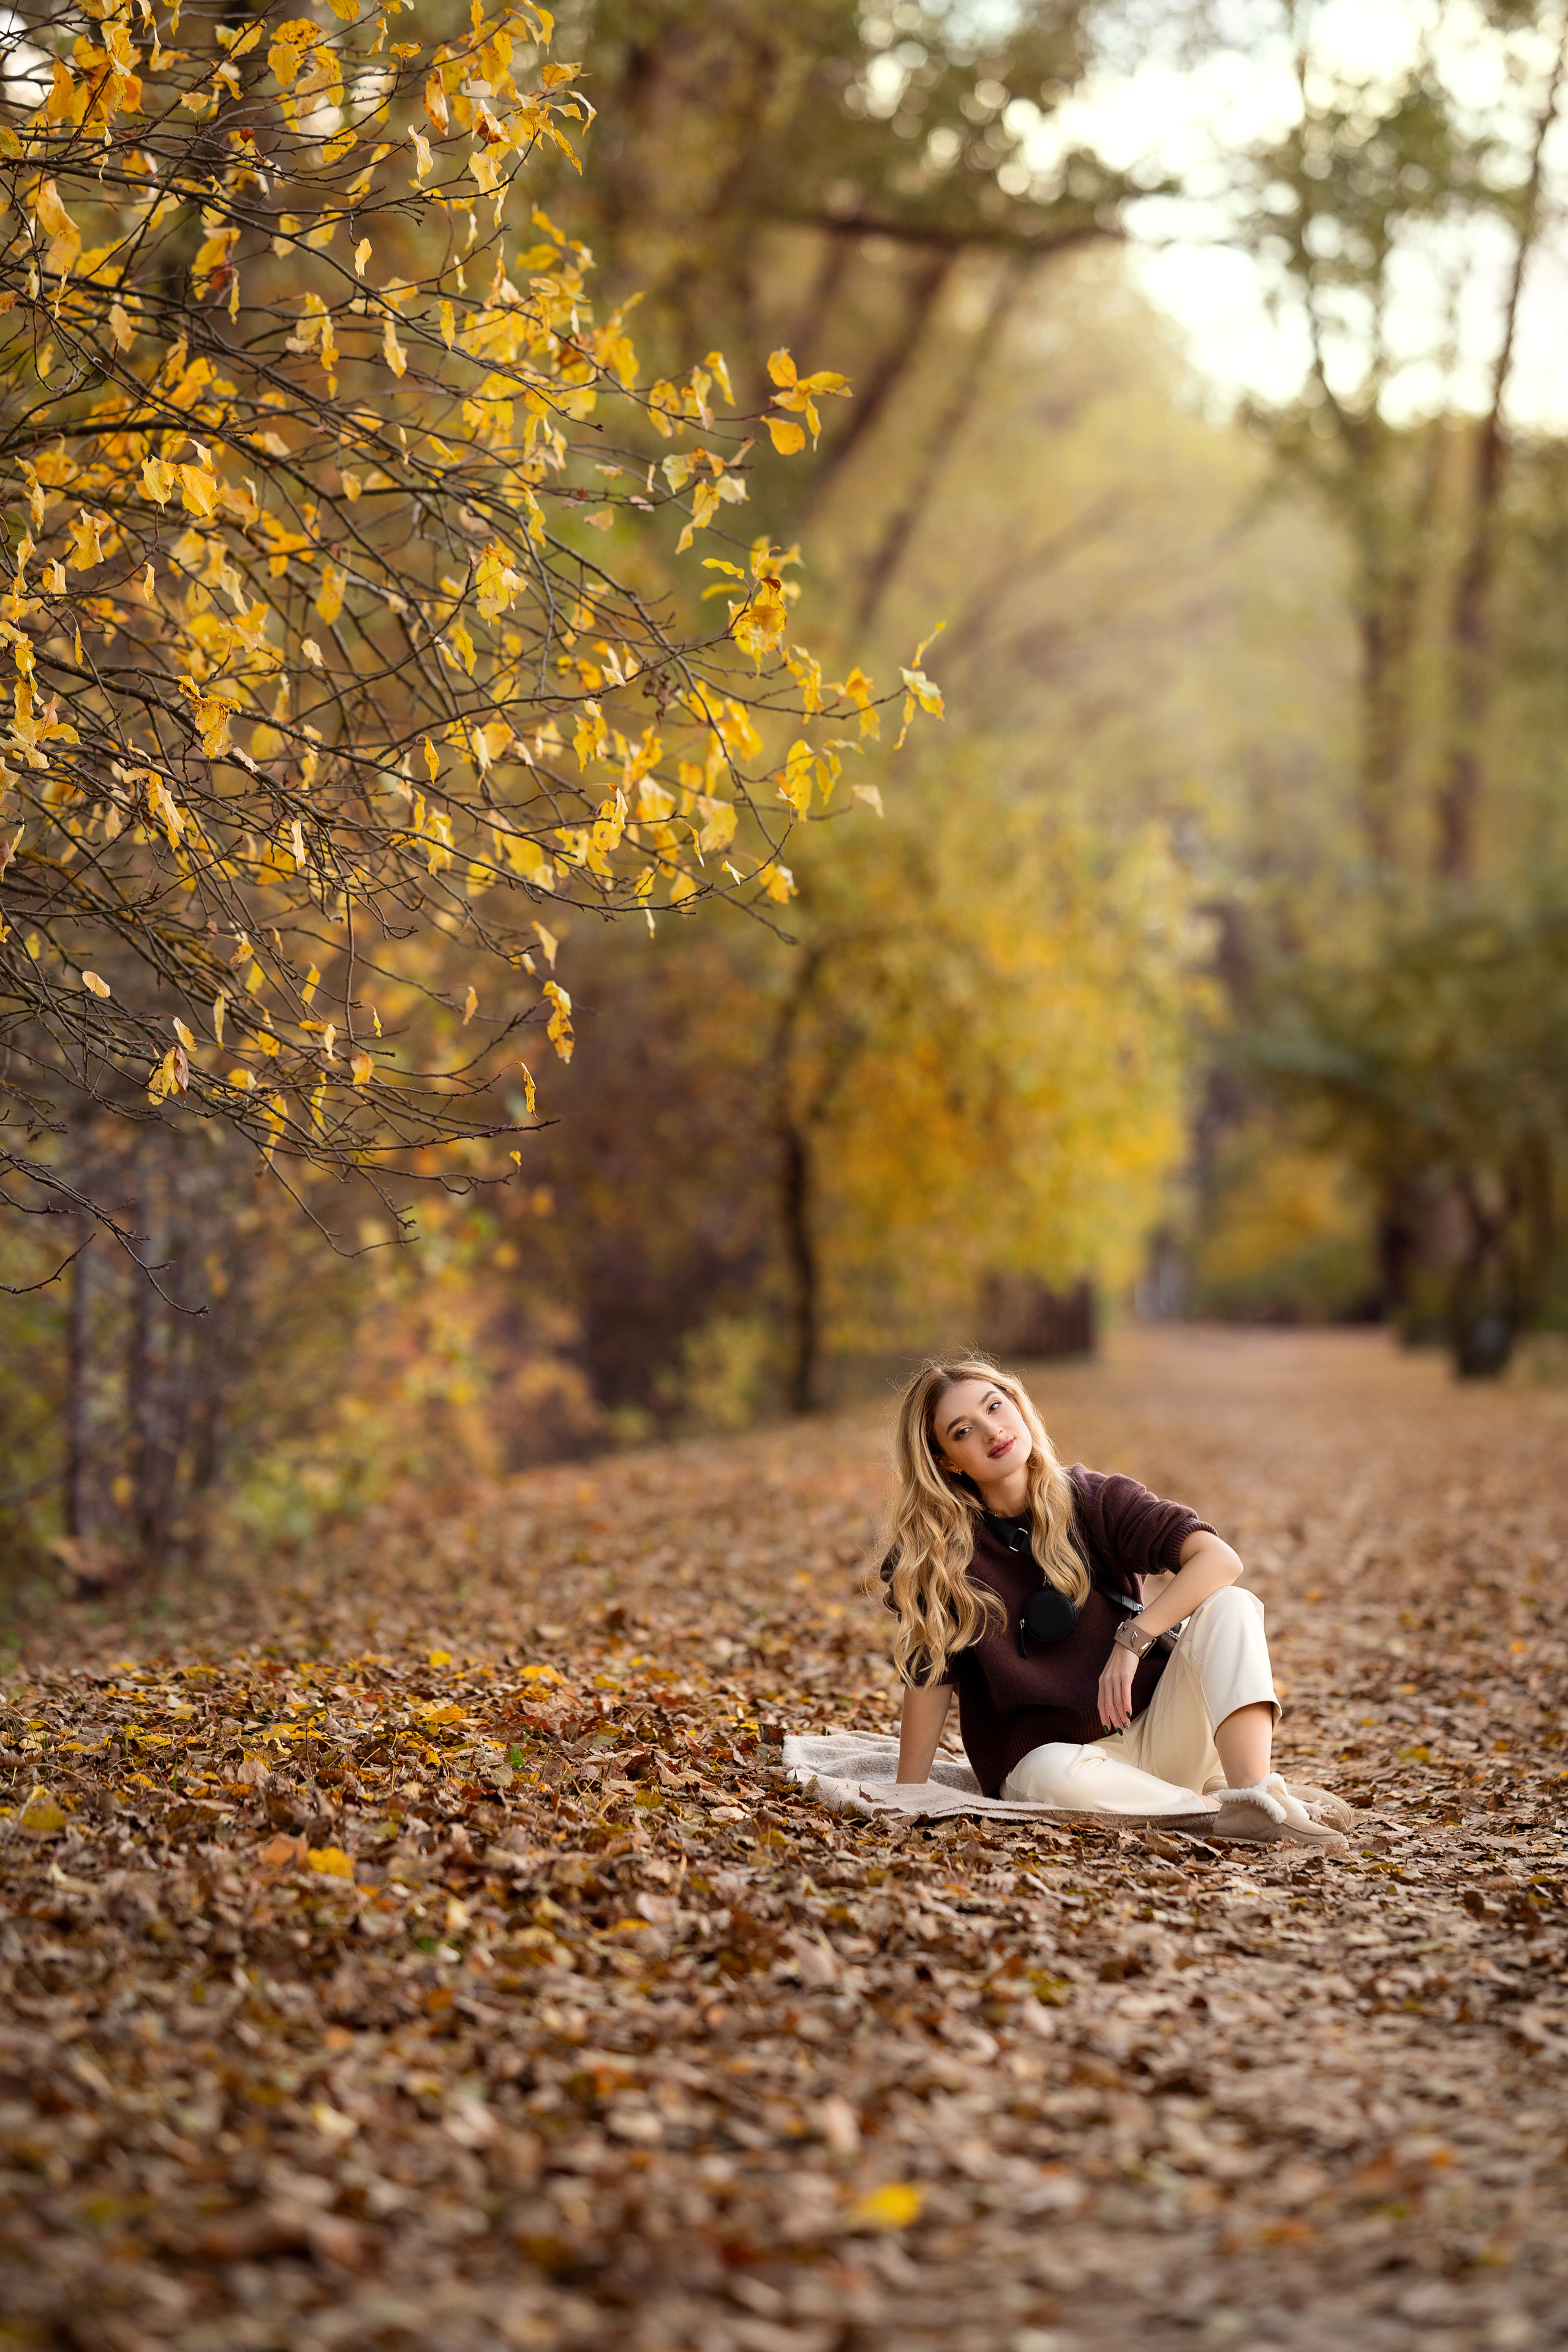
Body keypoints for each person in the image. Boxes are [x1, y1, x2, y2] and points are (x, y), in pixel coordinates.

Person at [882, 1356, 1342, 1844]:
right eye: (962, 1431)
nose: (992, 1430)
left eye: (996, 1407)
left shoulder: (1096, 1498)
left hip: (1162, 1731)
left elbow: (1218, 1559)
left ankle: (1253, 1795)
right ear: (948, 1461)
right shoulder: (934, 1555)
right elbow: (931, 1676)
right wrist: (909, 1794)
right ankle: (1222, 1810)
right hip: (1060, 1765)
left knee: (1232, 1605)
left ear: (1018, 1405)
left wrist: (1131, 1642)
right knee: (1044, 1774)